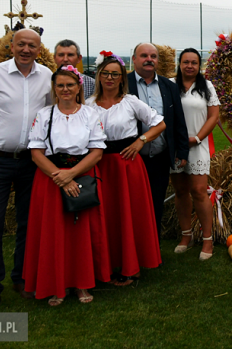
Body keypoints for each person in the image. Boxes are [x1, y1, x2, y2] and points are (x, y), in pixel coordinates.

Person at [0, 28, 52, 313]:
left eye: (32, 46)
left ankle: (21, 278)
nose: (26, 50)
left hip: (31, 161)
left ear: (39, 49)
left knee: (28, 223)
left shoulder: (47, 78)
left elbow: (51, 117)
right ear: (11, 46)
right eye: (21, 44)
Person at [23, 65, 109, 306]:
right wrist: (59, 177)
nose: (65, 89)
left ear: (79, 87)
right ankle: (56, 286)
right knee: (53, 233)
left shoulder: (91, 114)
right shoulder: (44, 115)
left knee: (80, 233)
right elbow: (36, 152)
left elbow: (97, 152)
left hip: (81, 176)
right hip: (51, 179)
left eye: (70, 85)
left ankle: (82, 284)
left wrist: (71, 175)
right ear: (54, 88)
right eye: (60, 85)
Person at [86, 51, 166, 285]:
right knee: (105, 216)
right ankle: (105, 266)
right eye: (106, 73)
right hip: (98, 166)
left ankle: (131, 266)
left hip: (126, 166)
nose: (110, 78)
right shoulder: (88, 105)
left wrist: (140, 141)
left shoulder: (131, 102)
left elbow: (159, 124)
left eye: (115, 74)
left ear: (122, 78)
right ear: (99, 76)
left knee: (128, 215)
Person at [128, 43, 189, 238]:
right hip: (131, 157)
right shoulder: (123, 83)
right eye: (144, 55)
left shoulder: (168, 86)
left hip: (160, 158)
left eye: (153, 56)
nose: (149, 59)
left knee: (156, 204)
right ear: (134, 59)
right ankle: (131, 248)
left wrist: (182, 151)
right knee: (131, 204)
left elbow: (178, 120)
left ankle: (152, 249)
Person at [169, 48, 221, 260]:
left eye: (194, 62)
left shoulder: (207, 86)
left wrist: (198, 138)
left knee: (199, 191)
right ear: (179, 64)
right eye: (185, 62)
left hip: (197, 145)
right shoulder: (170, 84)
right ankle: (186, 236)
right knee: (180, 191)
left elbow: (213, 116)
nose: (189, 66)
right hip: (175, 147)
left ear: (200, 66)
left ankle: (207, 239)